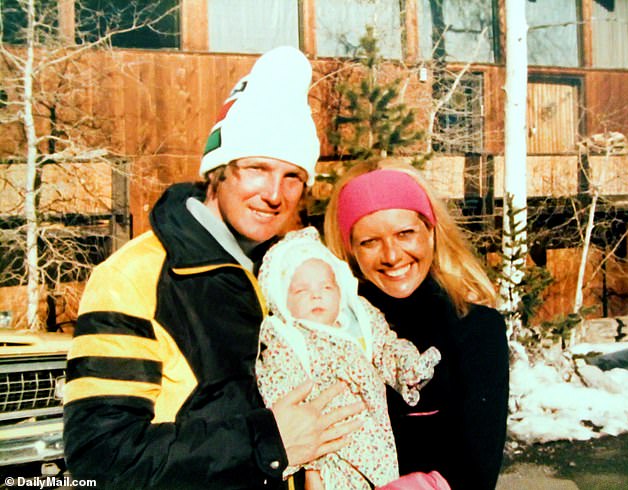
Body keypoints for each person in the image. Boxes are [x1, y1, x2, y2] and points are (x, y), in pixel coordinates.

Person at [63, 46, 364, 490]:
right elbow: (101, 456)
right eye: (257, 168)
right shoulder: (135, 276)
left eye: (292, 177)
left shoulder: (283, 273)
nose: (274, 194)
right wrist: (267, 443)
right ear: (218, 172)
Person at [323, 160, 510, 490]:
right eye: (370, 241)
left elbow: (476, 473)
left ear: (431, 232)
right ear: (350, 250)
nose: (392, 256)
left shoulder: (476, 329)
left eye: (405, 233)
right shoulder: (333, 332)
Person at [255, 227, 442, 490]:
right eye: (301, 291)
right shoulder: (288, 338)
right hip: (330, 450)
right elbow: (282, 391)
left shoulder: (358, 322)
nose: (316, 295)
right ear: (282, 299)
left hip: (377, 445)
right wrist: (311, 467)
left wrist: (407, 367)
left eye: (326, 287)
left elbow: (387, 347)